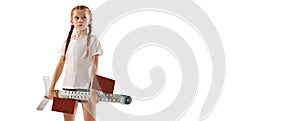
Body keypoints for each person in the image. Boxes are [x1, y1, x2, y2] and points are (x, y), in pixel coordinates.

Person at [47, 5, 103, 121]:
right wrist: (51, 88)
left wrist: (93, 89)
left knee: (90, 119)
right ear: (71, 21)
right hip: (67, 87)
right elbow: (60, 65)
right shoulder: (67, 42)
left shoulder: (93, 41)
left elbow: (95, 66)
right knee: (67, 119)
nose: (80, 20)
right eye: (76, 18)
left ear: (90, 20)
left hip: (86, 87)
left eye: (84, 17)